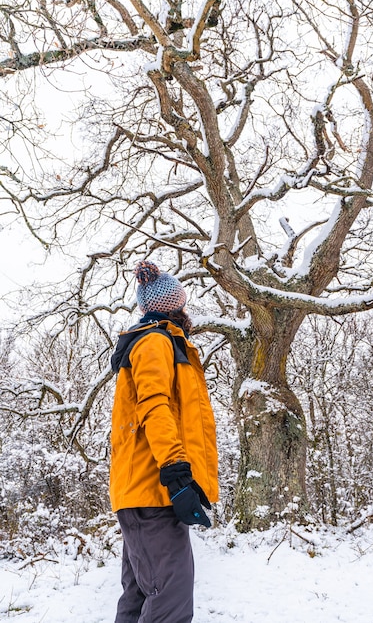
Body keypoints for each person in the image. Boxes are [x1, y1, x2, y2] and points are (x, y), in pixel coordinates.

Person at [109, 260, 219, 623]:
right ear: (173, 305)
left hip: (148, 495)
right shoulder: (155, 342)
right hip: (152, 492)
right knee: (169, 598)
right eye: (182, 304)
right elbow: (155, 406)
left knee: (143, 594)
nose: (186, 311)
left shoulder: (166, 341)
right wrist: (175, 470)